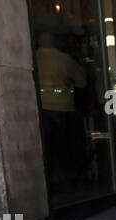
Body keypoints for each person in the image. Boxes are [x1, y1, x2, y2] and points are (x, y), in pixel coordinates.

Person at [34, 32, 88, 186]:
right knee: (63, 148)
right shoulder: (64, 59)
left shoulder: (33, 57)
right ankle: (65, 179)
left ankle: (49, 181)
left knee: (46, 148)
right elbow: (82, 82)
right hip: (63, 108)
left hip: (40, 108)